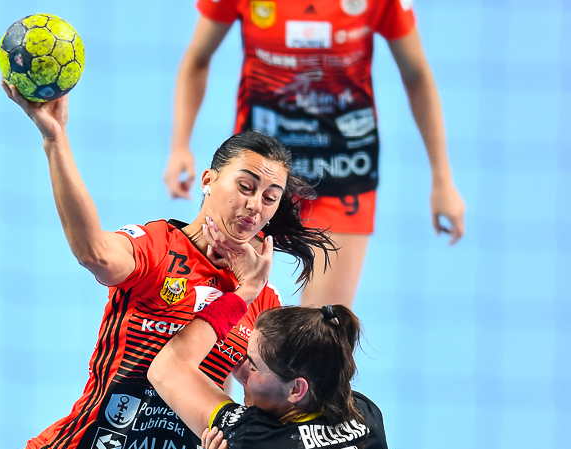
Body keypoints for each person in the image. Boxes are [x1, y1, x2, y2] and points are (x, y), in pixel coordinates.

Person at [0, 81, 334, 449]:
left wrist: (238, 433)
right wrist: (55, 139)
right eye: (245, 187)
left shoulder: (262, 299)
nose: (255, 206)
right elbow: (94, 253)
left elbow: (272, 393)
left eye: (270, 198)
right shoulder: (158, 246)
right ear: (209, 180)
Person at [163, 0, 466, 307]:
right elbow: (197, 59)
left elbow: (417, 76)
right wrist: (179, 146)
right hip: (258, 177)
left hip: (345, 172)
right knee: (222, 304)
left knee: (323, 326)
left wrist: (443, 180)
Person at [148, 227, 396, 449]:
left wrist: (246, 291)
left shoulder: (261, 442)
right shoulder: (365, 411)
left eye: (253, 367)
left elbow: (167, 368)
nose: (238, 370)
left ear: (296, 389)